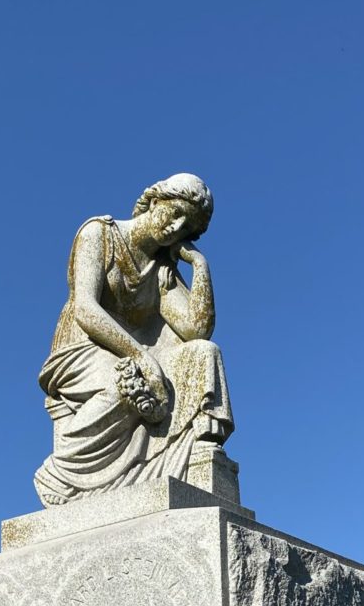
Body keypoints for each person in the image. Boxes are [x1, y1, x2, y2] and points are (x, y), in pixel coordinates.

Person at [34, 173, 234, 505]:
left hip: (140, 352)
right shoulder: (98, 232)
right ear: (156, 202)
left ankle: (195, 459)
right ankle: (61, 475)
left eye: (187, 227)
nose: (176, 228)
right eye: (175, 214)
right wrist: (141, 357)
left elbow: (197, 330)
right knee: (125, 382)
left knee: (204, 353)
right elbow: (86, 309)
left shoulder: (161, 270)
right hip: (82, 349)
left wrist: (199, 264)